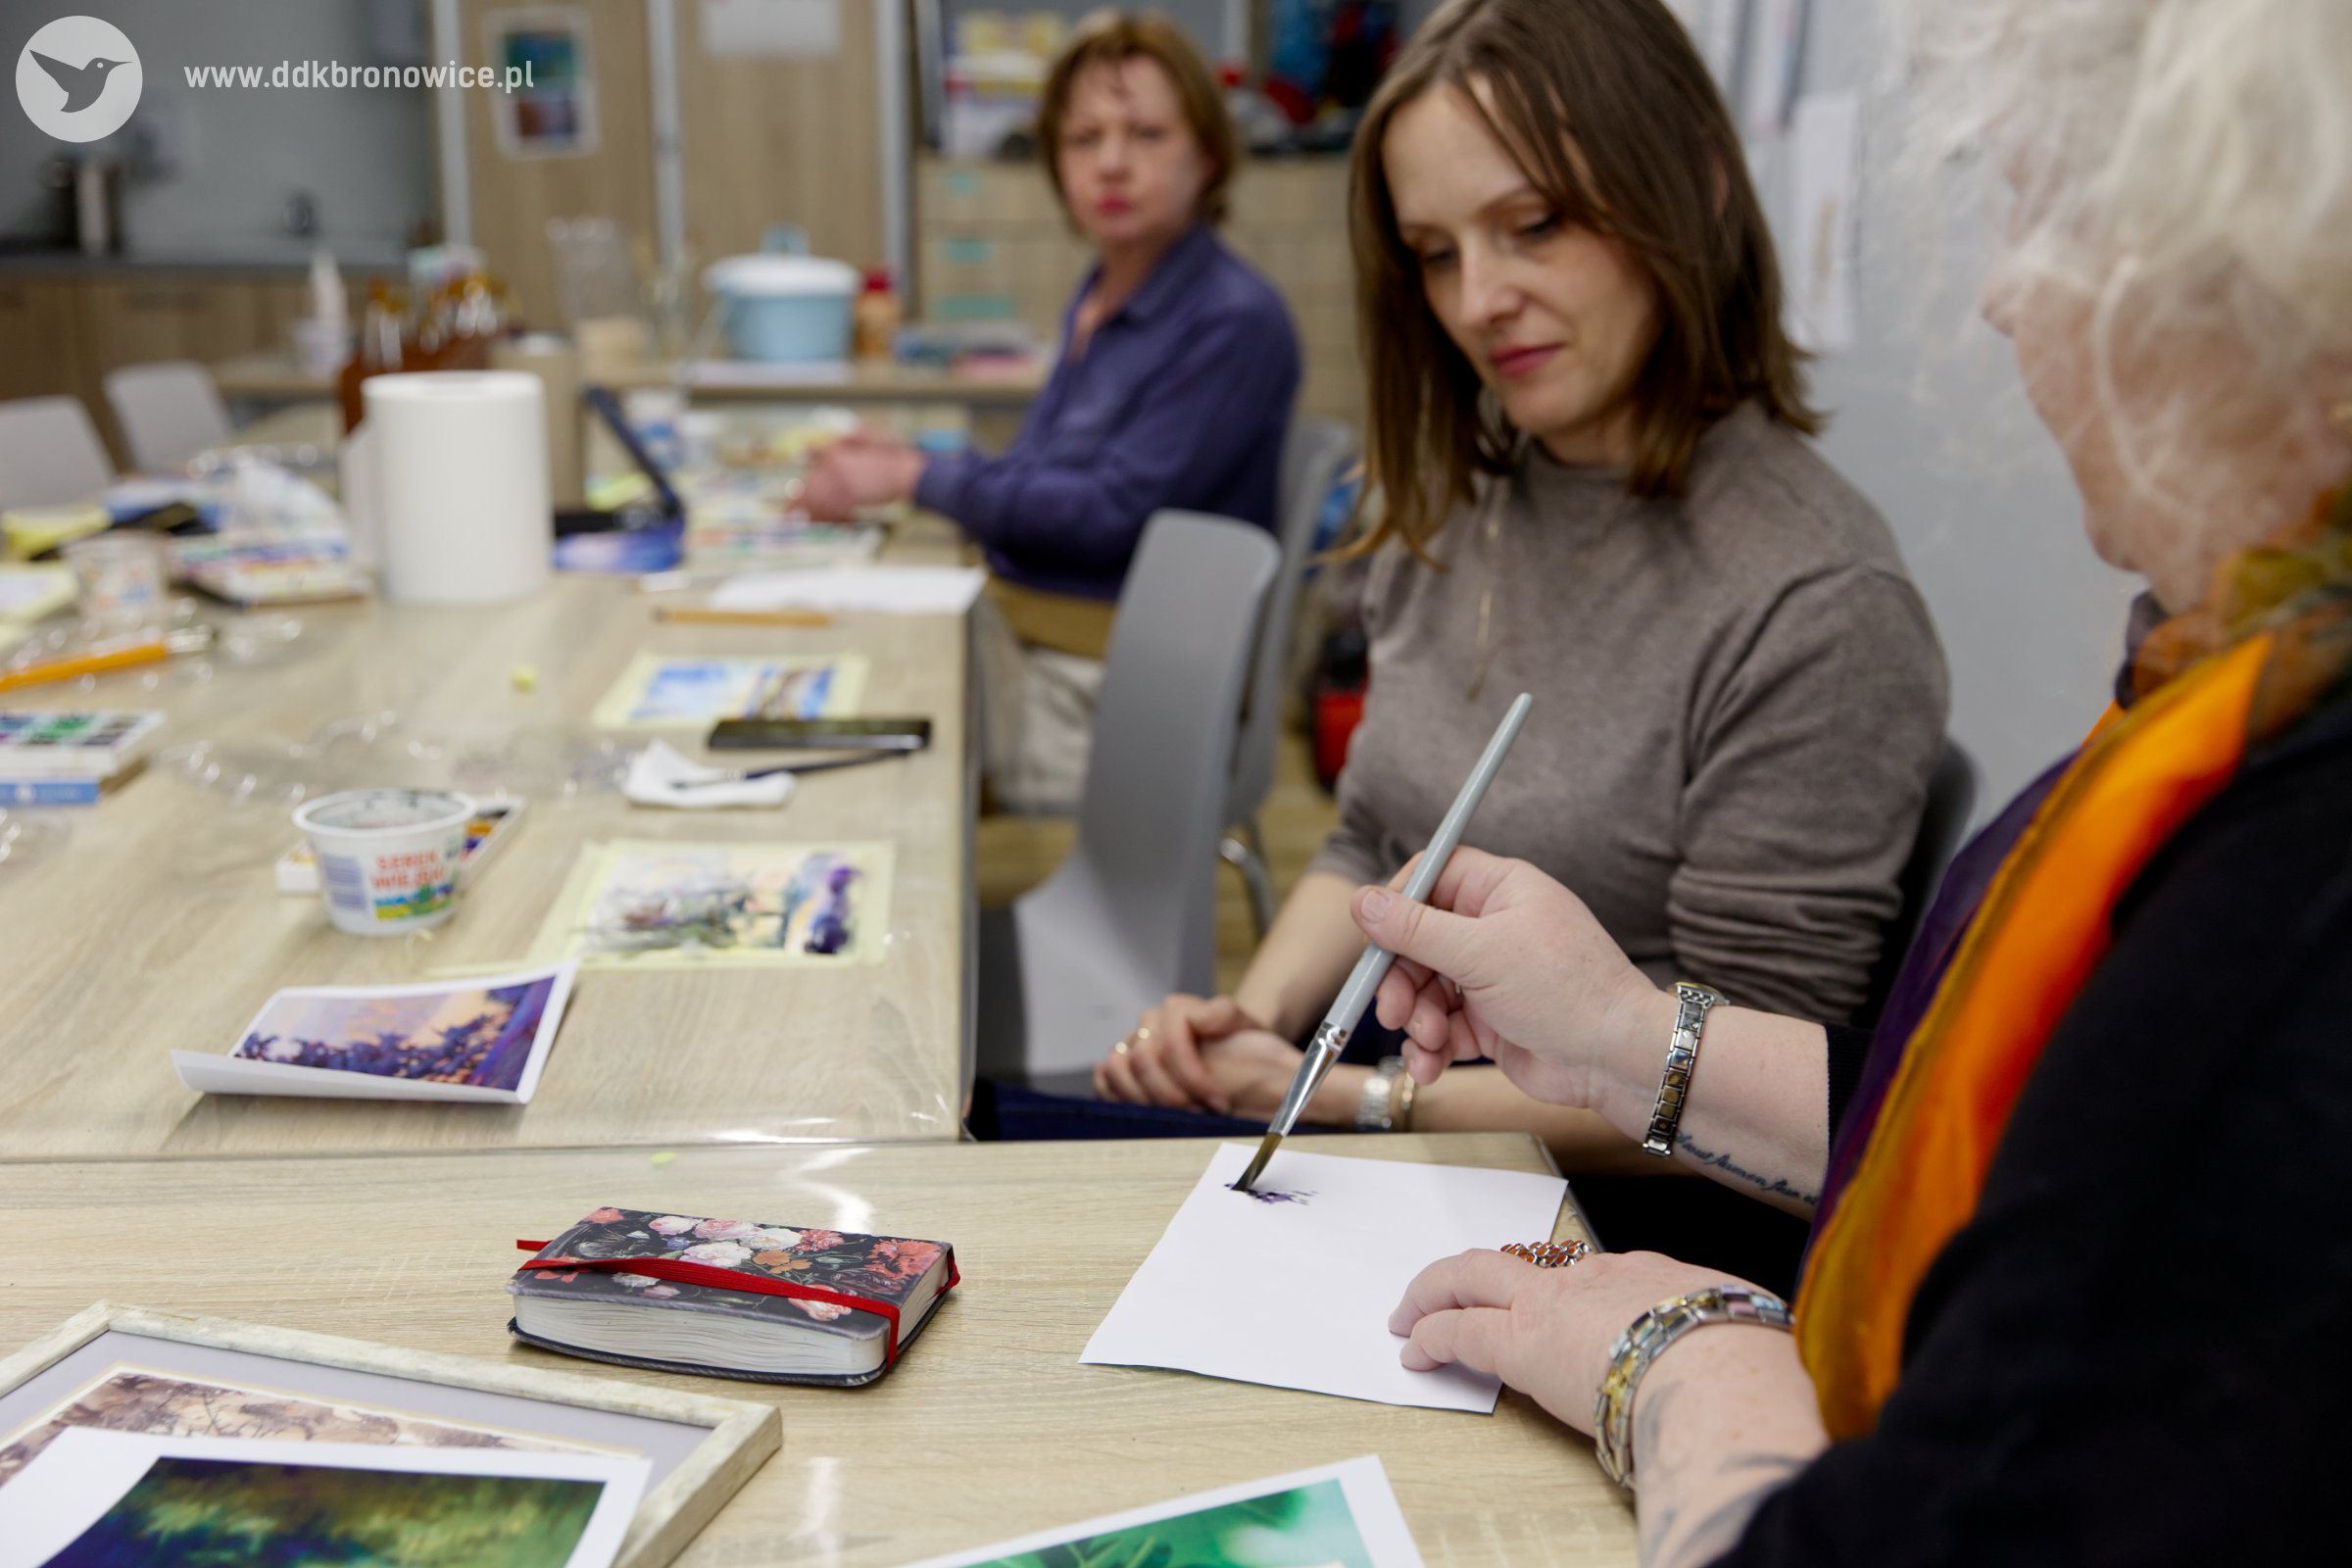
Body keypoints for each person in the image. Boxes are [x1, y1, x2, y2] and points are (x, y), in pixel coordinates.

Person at [1349, 0, 2352, 1558]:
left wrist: (1675, 1362)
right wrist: (1616, 1032)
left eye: (2050, 207)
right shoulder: (2220, 684)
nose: (2003, 295)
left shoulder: (2284, 906)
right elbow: (1981, 1123)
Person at [1094, 0, 1947, 1282]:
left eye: (1535, 224)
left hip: (1610, 1228)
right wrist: (1256, 1024)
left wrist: (1364, 1103)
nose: (1479, 301)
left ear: (1695, 189)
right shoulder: (1467, 499)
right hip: (1400, 1129)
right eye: (1436, 254)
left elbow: (1745, 1100)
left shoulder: (1817, 602)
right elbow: (1373, 838)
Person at [802, 12, 1299, 810]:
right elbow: (1042, 471)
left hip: (1117, 686)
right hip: (1044, 639)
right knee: (836, 644)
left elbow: (1106, 514)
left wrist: (915, 476)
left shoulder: (1232, 321)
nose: (1111, 163)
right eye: (1083, 138)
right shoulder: (1103, 291)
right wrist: (906, 464)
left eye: (1146, 134)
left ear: (1206, 155)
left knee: (861, 735)